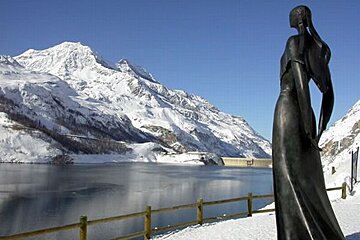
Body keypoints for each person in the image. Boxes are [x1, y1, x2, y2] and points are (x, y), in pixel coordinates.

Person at [272, 5, 345, 240]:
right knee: (307, 177)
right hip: (305, 115)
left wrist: (306, 125)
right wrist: (318, 127)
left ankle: (295, 235)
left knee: (288, 173)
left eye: (291, 14)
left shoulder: (294, 43)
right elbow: (328, 94)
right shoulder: (318, 49)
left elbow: (302, 85)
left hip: (288, 111)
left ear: (297, 17)